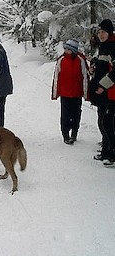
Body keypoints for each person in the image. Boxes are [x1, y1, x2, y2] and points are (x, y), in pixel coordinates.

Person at [51, 39, 89, 144]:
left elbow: (85, 77)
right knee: (65, 115)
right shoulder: (61, 60)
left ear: (73, 50)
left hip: (77, 94)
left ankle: (74, 133)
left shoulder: (80, 60)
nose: (66, 50)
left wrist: (86, 93)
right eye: (65, 48)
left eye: (68, 49)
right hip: (65, 94)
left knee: (76, 114)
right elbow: (56, 77)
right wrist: (55, 93)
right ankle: (66, 135)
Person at [89, 19, 115, 165]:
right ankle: (106, 150)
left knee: (107, 122)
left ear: (109, 32)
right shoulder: (104, 46)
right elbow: (102, 65)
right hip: (104, 92)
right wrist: (93, 67)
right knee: (103, 120)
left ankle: (111, 151)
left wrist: (103, 86)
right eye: (99, 32)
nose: (101, 34)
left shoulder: (112, 47)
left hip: (110, 92)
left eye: (103, 32)